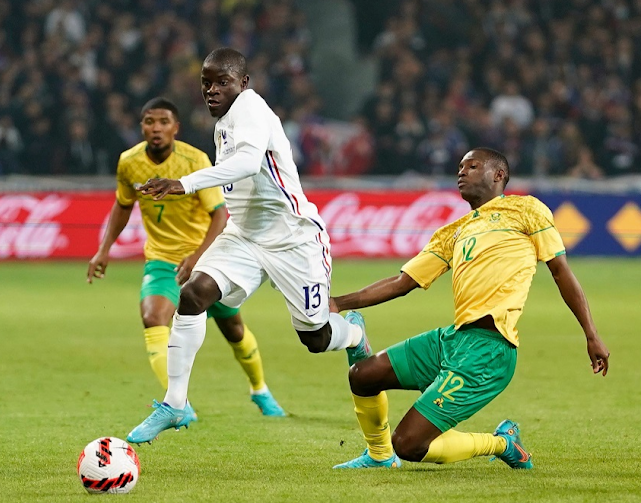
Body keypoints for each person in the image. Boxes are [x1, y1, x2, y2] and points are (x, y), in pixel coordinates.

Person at [125, 47, 371, 444]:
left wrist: (183, 183)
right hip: (244, 236)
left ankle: (354, 333)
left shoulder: (252, 110)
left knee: (316, 337)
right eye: (206, 82)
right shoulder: (223, 122)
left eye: (222, 82)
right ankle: (173, 404)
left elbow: (248, 163)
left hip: (293, 239)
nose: (212, 90)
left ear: (244, 83)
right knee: (192, 295)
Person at [330, 147, 610, 469]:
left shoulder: (527, 210)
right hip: (452, 340)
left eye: (472, 166)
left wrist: (591, 334)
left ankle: (503, 443)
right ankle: (379, 457)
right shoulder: (453, 232)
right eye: (460, 167)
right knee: (363, 376)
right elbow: (401, 282)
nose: (461, 172)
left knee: (408, 444)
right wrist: (337, 303)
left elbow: (561, 272)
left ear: (498, 175)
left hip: (489, 351)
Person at [87, 97, 286, 420]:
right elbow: (123, 204)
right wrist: (104, 248)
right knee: (153, 318)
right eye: (150, 121)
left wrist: (197, 257)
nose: (156, 128)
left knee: (233, 329)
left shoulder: (195, 160)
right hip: (162, 259)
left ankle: (259, 389)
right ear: (142, 127)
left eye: (164, 121)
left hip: (208, 259)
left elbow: (219, 215)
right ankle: (177, 405)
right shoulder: (129, 162)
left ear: (175, 128)